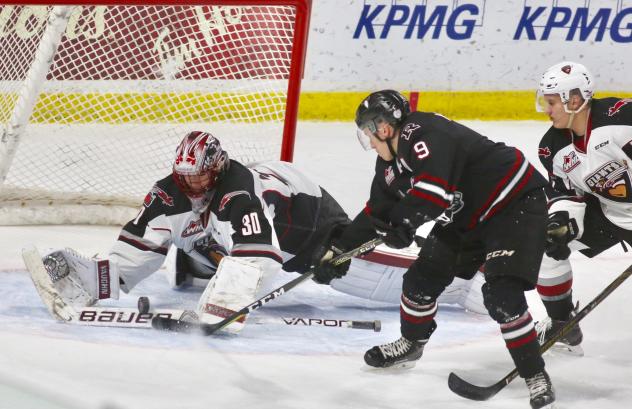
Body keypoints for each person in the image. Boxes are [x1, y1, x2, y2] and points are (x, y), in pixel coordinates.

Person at [33, 131, 486, 333]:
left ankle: (472, 281)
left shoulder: (237, 192)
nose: (190, 187)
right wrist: (99, 277)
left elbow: (258, 256)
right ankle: (104, 279)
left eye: (199, 178)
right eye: (183, 178)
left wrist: (220, 311)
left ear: (216, 168)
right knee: (201, 241)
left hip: (308, 227)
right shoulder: (170, 193)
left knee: (375, 277)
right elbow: (140, 247)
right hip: (250, 225)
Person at [313, 90, 555, 409]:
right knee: (419, 282)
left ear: (384, 128)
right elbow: (377, 211)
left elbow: (432, 192)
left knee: (502, 297)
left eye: (369, 133)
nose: (370, 142)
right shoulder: (390, 165)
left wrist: (404, 222)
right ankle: (411, 344)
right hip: (467, 217)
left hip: (513, 204)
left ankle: (535, 376)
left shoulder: (424, 134)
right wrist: (340, 251)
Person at [534, 61, 632, 355]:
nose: (547, 110)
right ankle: (563, 323)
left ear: (574, 100)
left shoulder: (622, 119)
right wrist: (560, 224)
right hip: (608, 213)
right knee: (544, 246)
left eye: (551, 103)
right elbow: (566, 197)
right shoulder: (552, 147)